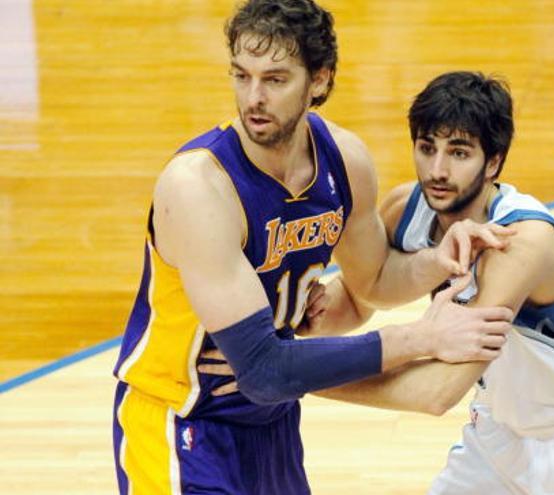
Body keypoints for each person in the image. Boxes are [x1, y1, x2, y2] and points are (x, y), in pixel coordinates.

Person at [110, 3, 515, 494]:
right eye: (242, 75)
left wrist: (438, 258)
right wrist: (421, 338)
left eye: (275, 80)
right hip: (184, 419)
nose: (254, 98)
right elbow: (260, 369)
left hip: (274, 419)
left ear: (319, 80)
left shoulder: (343, 160)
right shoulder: (197, 187)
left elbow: (375, 282)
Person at [288, 71, 554, 494]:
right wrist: (302, 313)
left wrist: (295, 376)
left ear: (494, 162)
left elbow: (438, 390)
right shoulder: (406, 210)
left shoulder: (520, 242)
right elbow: (358, 300)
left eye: (459, 153)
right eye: (427, 149)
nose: (438, 170)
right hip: (501, 436)